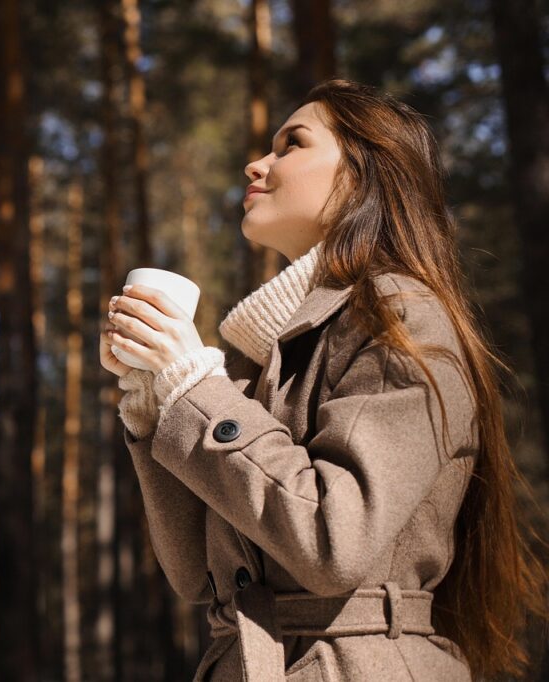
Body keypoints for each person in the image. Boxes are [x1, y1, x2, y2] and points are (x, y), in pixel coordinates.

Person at [99, 78, 549, 681]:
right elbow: (196, 576)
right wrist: (158, 399)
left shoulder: (401, 316)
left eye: (292, 145)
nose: (256, 163)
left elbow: (332, 539)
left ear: (364, 177)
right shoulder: (279, 361)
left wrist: (195, 386)